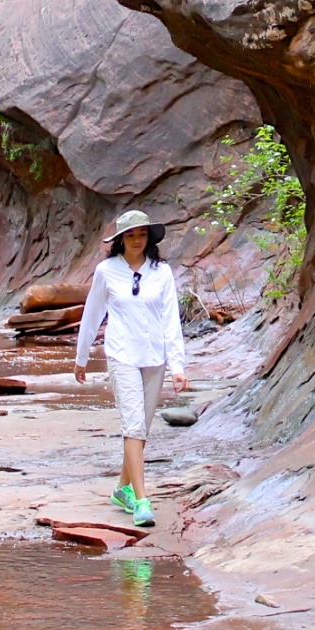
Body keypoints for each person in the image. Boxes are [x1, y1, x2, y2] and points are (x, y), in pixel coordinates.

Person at [75, 209, 188, 528]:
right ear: (120, 240)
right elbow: (92, 313)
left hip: (156, 357)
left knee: (141, 430)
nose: (137, 241)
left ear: (149, 238)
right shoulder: (106, 271)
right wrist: (81, 356)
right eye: (130, 235)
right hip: (122, 354)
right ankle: (141, 500)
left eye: (141, 235)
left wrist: (177, 366)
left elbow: (171, 319)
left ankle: (121, 490)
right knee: (134, 426)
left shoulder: (162, 271)